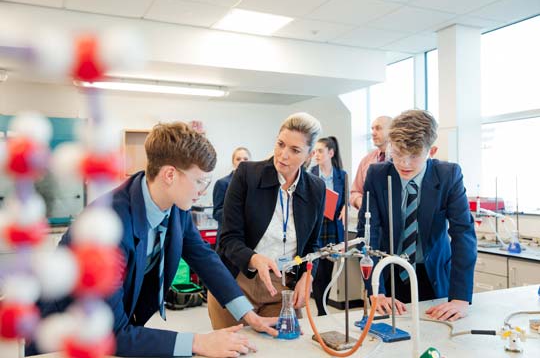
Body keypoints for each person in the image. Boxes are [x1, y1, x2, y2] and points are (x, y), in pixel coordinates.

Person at [28, 122, 277, 357]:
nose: (203, 190)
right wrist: (198, 342)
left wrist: (248, 314)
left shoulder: (174, 205)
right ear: (169, 174)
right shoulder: (108, 228)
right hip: (62, 338)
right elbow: (112, 334)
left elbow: (203, 257)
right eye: (200, 180)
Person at [357, 110, 477, 322]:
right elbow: (368, 234)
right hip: (388, 275)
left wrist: (460, 299)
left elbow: (463, 235)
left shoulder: (448, 175)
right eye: (398, 154)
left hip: (433, 276)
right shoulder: (377, 175)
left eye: (414, 156)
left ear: (432, 151)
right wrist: (376, 291)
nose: (404, 163)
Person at [208, 112, 326, 328]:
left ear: (309, 155)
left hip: (283, 286)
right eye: (280, 144)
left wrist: (307, 276)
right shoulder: (246, 175)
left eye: (295, 150)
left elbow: (313, 246)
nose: (283, 155)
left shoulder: (316, 189)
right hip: (237, 282)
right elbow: (228, 238)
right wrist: (254, 259)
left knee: (285, 347)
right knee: (237, 349)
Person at [310, 136, 346, 316]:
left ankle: (322, 307)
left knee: (328, 270)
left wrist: (347, 206)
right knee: (317, 271)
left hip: (332, 226)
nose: (316, 154)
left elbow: (347, 198)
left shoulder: (342, 175)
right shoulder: (310, 173)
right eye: (315, 151)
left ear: (330, 153)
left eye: (320, 151)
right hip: (316, 225)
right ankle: (321, 311)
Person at [350, 115, 392, 209]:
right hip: (370, 218)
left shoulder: (402, 160)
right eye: (372, 129)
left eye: (378, 128)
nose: (373, 133)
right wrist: (361, 202)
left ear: (391, 131)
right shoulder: (366, 161)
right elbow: (355, 192)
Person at [213, 147, 251, 245]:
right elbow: (217, 213)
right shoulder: (222, 183)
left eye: (245, 159)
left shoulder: (254, 185)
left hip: (248, 239)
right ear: (233, 162)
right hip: (227, 238)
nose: (242, 162)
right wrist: (238, 213)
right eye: (238, 159)